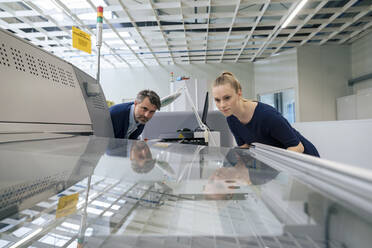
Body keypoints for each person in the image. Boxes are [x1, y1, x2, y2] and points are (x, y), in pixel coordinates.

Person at [212, 72, 319, 157]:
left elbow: (298, 147)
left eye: (227, 98)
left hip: (306, 159)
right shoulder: (231, 118)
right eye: (217, 100)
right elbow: (245, 148)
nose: (222, 105)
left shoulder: (266, 115)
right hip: (282, 165)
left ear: (239, 93)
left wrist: (272, 167)